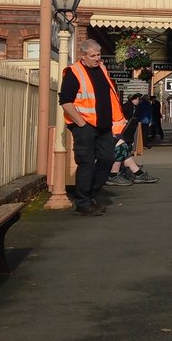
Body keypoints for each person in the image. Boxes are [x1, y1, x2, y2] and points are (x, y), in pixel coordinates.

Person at [59, 39, 125, 216]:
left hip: (104, 127)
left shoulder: (102, 69)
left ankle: (92, 195)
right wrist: (81, 124)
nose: (97, 58)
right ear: (83, 55)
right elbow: (65, 102)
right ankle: (83, 202)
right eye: (93, 55)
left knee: (107, 158)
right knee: (86, 163)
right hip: (85, 127)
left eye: (99, 54)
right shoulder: (74, 72)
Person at [106, 112, 160, 185]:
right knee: (120, 145)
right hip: (110, 133)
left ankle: (137, 173)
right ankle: (113, 175)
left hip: (112, 132)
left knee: (122, 145)